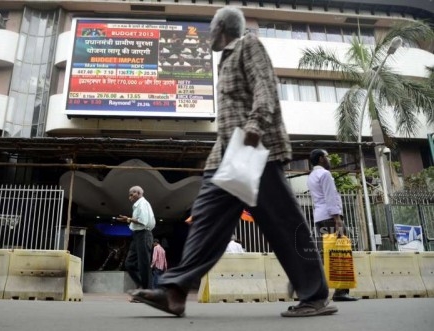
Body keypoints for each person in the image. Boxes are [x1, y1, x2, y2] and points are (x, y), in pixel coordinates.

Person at [129, 6, 337, 318]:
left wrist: (254, 128)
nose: (207, 34)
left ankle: (315, 294)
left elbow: (265, 89)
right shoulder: (224, 61)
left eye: (210, 27)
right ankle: (174, 292)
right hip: (228, 154)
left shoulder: (247, 45)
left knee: (282, 223)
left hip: (254, 148)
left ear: (222, 27)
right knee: (205, 221)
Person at [307, 149, 359, 302]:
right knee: (340, 251)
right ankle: (341, 291)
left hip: (319, 217)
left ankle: (318, 286)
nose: (328, 159)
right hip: (330, 217)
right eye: (327, 157)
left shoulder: (311, 176)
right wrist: (337, 220)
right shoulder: (325, 174)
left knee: (326, 253)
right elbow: (330, 197)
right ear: (322, 158)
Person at [116, 186, 156, 292]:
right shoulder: (138, 205)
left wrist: (128, 219)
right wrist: (129, 220)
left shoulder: (142, 204)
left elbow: (143, 221)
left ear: (138, 193)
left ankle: (146, 291)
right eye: (129, 194)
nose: (130, 196)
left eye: (132, 194)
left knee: (144, 263)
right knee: (129, 263)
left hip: (144, 234)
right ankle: (141, 286)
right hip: (138, 235)